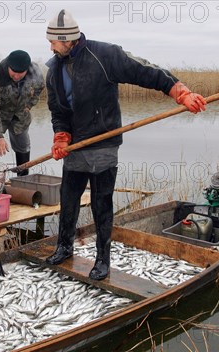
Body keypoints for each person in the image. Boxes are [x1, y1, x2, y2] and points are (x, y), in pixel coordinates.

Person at [44, 9, 207, 280]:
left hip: (103, 144)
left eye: (53, 41)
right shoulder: (53, 70)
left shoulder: (105, 55)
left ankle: (102, 259)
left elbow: (145, 71)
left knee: (101, 203)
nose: (50, 46)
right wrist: (61, 136)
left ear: (68, 39)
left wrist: (179, 91)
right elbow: (57, 111)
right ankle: (64, 247)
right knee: (68, 200)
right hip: (75, 149)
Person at [0, 50, 45, 176]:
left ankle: (23, 179)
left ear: (27, 69)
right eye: (13, 72)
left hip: (20, 114)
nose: (16, 76)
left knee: (23, 145)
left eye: (20, 73)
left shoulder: (35, 72)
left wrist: (29, 105)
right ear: (8, 66)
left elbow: (39, 88)